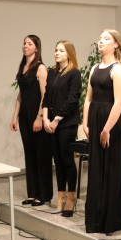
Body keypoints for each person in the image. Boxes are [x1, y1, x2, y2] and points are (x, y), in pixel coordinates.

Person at [82, 29, 121, 234]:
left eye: (106, 39)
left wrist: (106, 129)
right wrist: (85, 123)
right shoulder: (94, 68)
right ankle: (95, 220)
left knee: (111, 169)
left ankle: (111, 220)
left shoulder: (118, 69)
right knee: (97, 169)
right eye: (100, 38)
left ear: (115, 45)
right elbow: (88, 99)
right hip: (96, 119)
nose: (101, 41)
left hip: (112, 123)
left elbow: (119, 102)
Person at [10, 34, 53, 206]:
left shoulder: (40, 68)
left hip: (37, 114)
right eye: (24, 43)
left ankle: (43, 194)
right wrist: (15, 117)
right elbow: (21, 95)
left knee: (40, 154)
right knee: (29, 153)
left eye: (29, 43)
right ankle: (32, 193)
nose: (25, 46)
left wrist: (39, 117)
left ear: (36, 48)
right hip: (24, 115)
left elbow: (45, 95)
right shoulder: (23, 67)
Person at [42, 40, 82, 218]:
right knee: (57, 161)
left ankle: (71, 199)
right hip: (51, 122)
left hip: (66, 123)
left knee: (67, 160)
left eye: (61, 51)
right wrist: (45, 118)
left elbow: (72, 100)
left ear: (69, 54)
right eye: (56, 50)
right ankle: (60, 199)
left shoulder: (74, 73)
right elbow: (46, 98)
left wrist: (57, 119)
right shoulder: (52, 72)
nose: (57, 53)